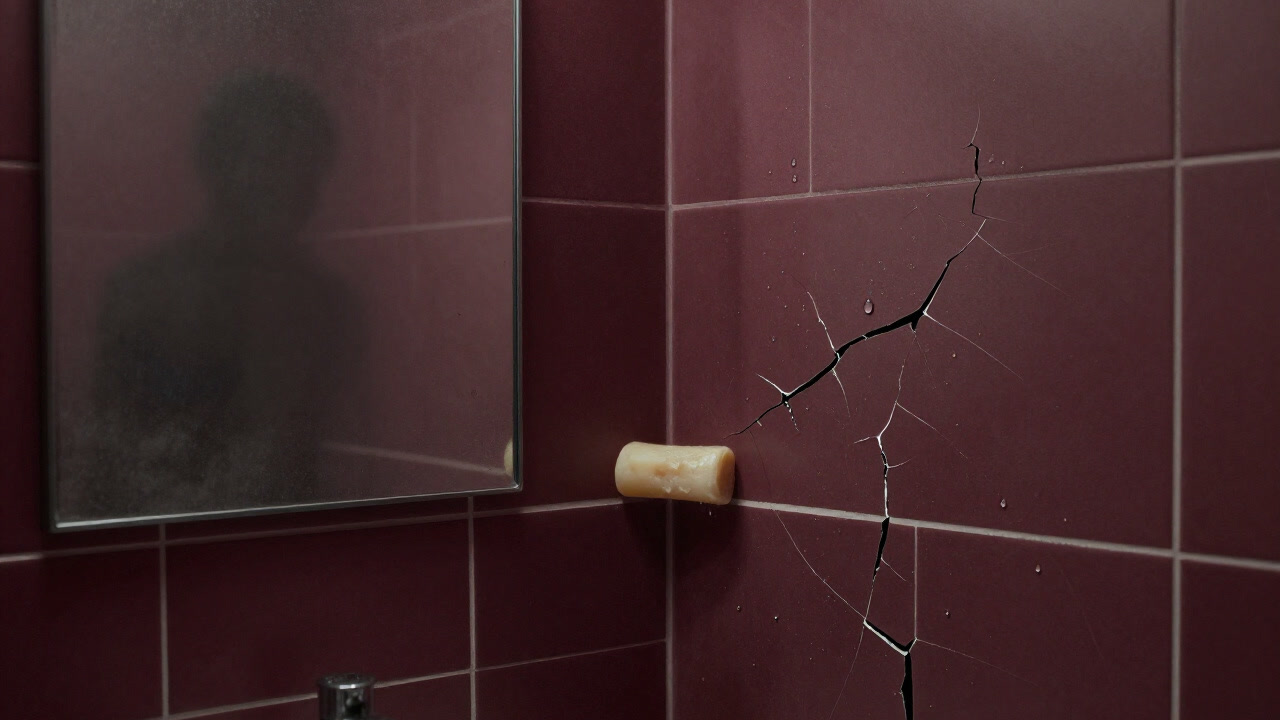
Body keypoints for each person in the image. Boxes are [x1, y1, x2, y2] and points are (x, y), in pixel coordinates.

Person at [66, 70, 361, 518]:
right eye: (278, 161)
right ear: (221, 168)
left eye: (311, 170)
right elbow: (105, 470)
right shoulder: (146, 292)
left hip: (290, 554)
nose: (301, 189)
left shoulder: (330, 305)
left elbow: (302, 466)